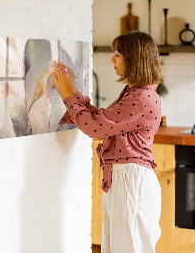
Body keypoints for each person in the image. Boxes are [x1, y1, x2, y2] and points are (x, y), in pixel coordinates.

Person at [51, 31, 163, 253]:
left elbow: (94, 128)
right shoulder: (136, 93)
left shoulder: (140, 98)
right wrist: (72, 90)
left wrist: (66, 95)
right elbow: (102, 120)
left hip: (131, 182)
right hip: (126, 180)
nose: (112, 59)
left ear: (134, 59)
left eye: (118, 54)